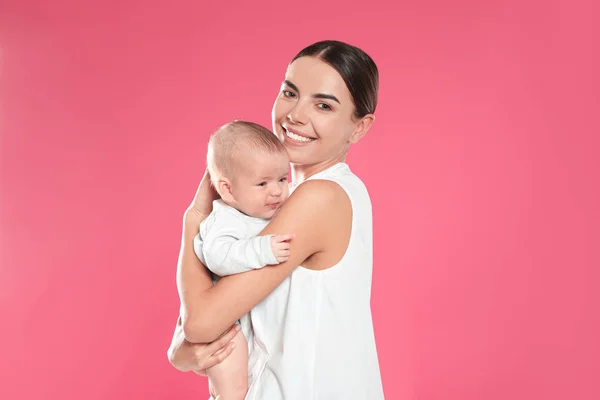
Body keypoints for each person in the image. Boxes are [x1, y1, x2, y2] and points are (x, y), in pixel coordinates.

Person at [167, 40, 384, 399]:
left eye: (324, 105)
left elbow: (203, 320)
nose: (296, 115)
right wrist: (184, 349)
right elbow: (223, 314)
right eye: (290, 92)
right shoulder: (278, 202)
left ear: (359, 128)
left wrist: (194, 220)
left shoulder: (321, 198)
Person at [191, 120, 294, 399]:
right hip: (226, 330)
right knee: (233, 391)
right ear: (228, 189)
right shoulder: (224, 219)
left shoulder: (270, 208)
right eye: (262, 183)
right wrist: (261, 251)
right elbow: (218, 257)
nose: (276, 191)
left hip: (252, 322)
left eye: (283, 179)